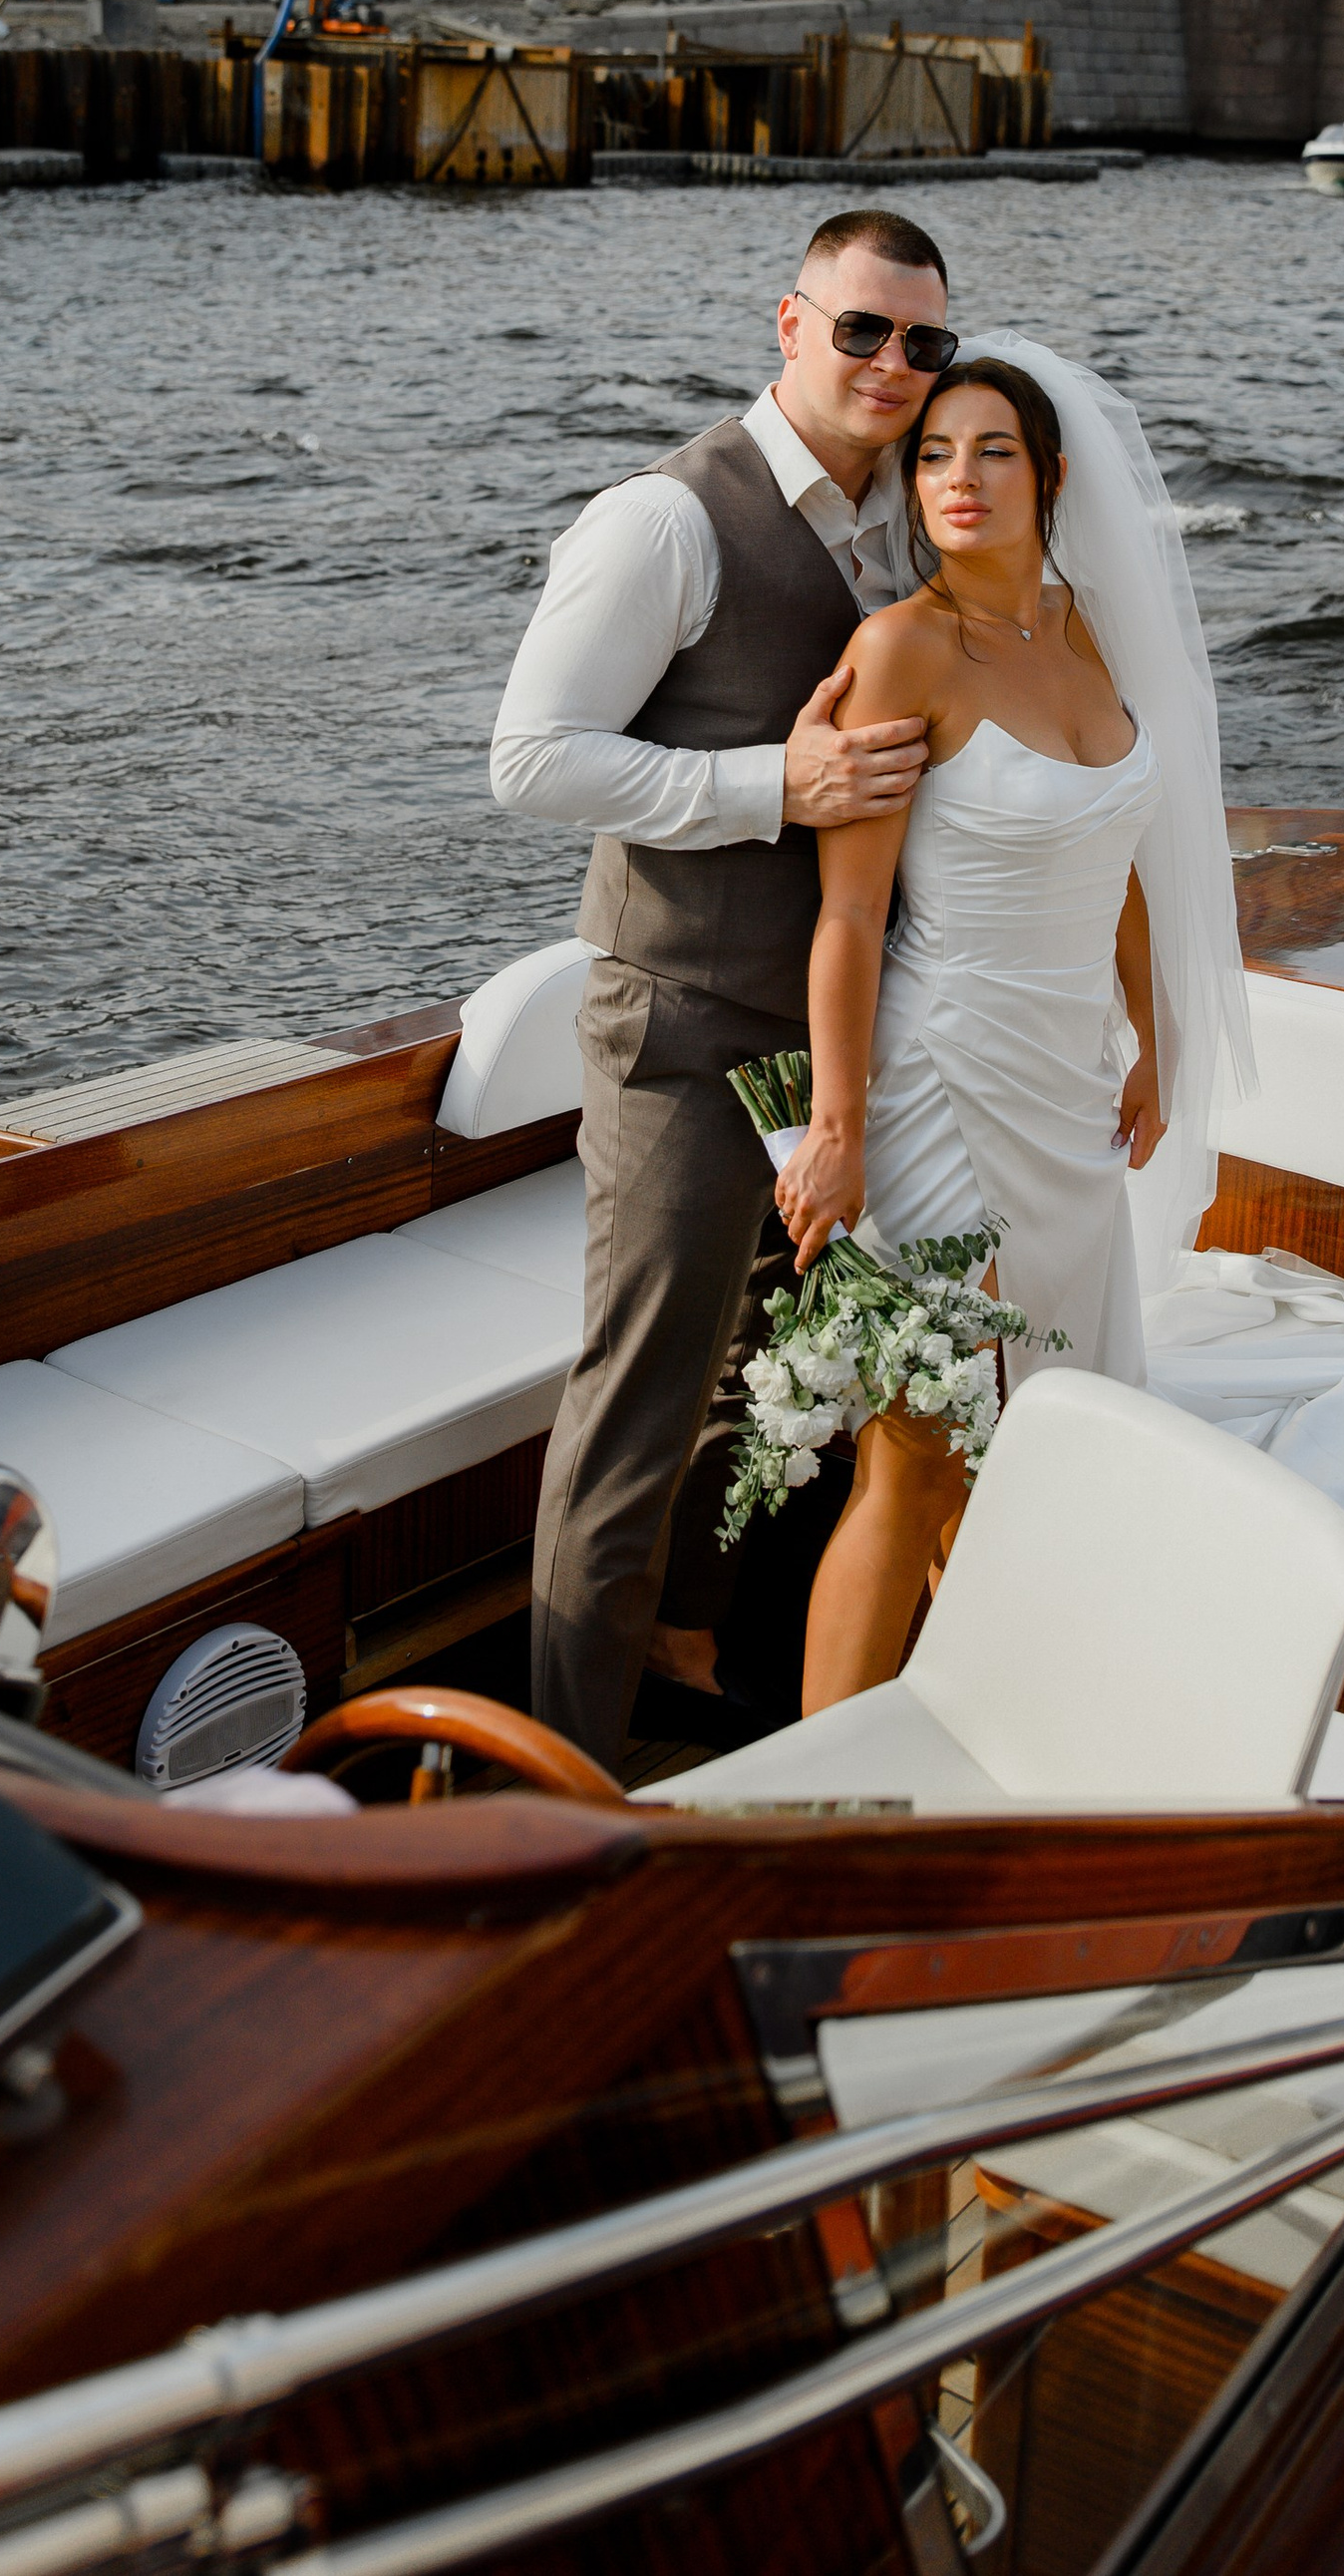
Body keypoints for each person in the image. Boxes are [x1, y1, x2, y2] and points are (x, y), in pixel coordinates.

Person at [491, 208, 952, 1769]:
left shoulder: (914, 514)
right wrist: (780, 784)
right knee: (635, 1414)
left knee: (767, 1397)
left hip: (838, 1043)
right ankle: (568, 1779)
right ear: (790, 323)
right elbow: (533, 760)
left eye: (924, 344)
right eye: (863, 332)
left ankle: (698, 1683)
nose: (894, 366)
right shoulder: (665, 522)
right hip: (683, 1028)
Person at [772, 340, 1256, 1711]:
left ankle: (987, 1721)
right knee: (917, 1439)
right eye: (931, 454)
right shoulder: (899, 651)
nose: (959, 479)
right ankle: (821, 1807)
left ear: (1050, 476)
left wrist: (1154, 1041)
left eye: (990, 451)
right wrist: (838, 1129)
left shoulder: (1090, 632)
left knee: (1028, 1430)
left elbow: (1122, 865)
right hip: (940, 1078)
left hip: (1068, 1088)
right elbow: (851, 921)